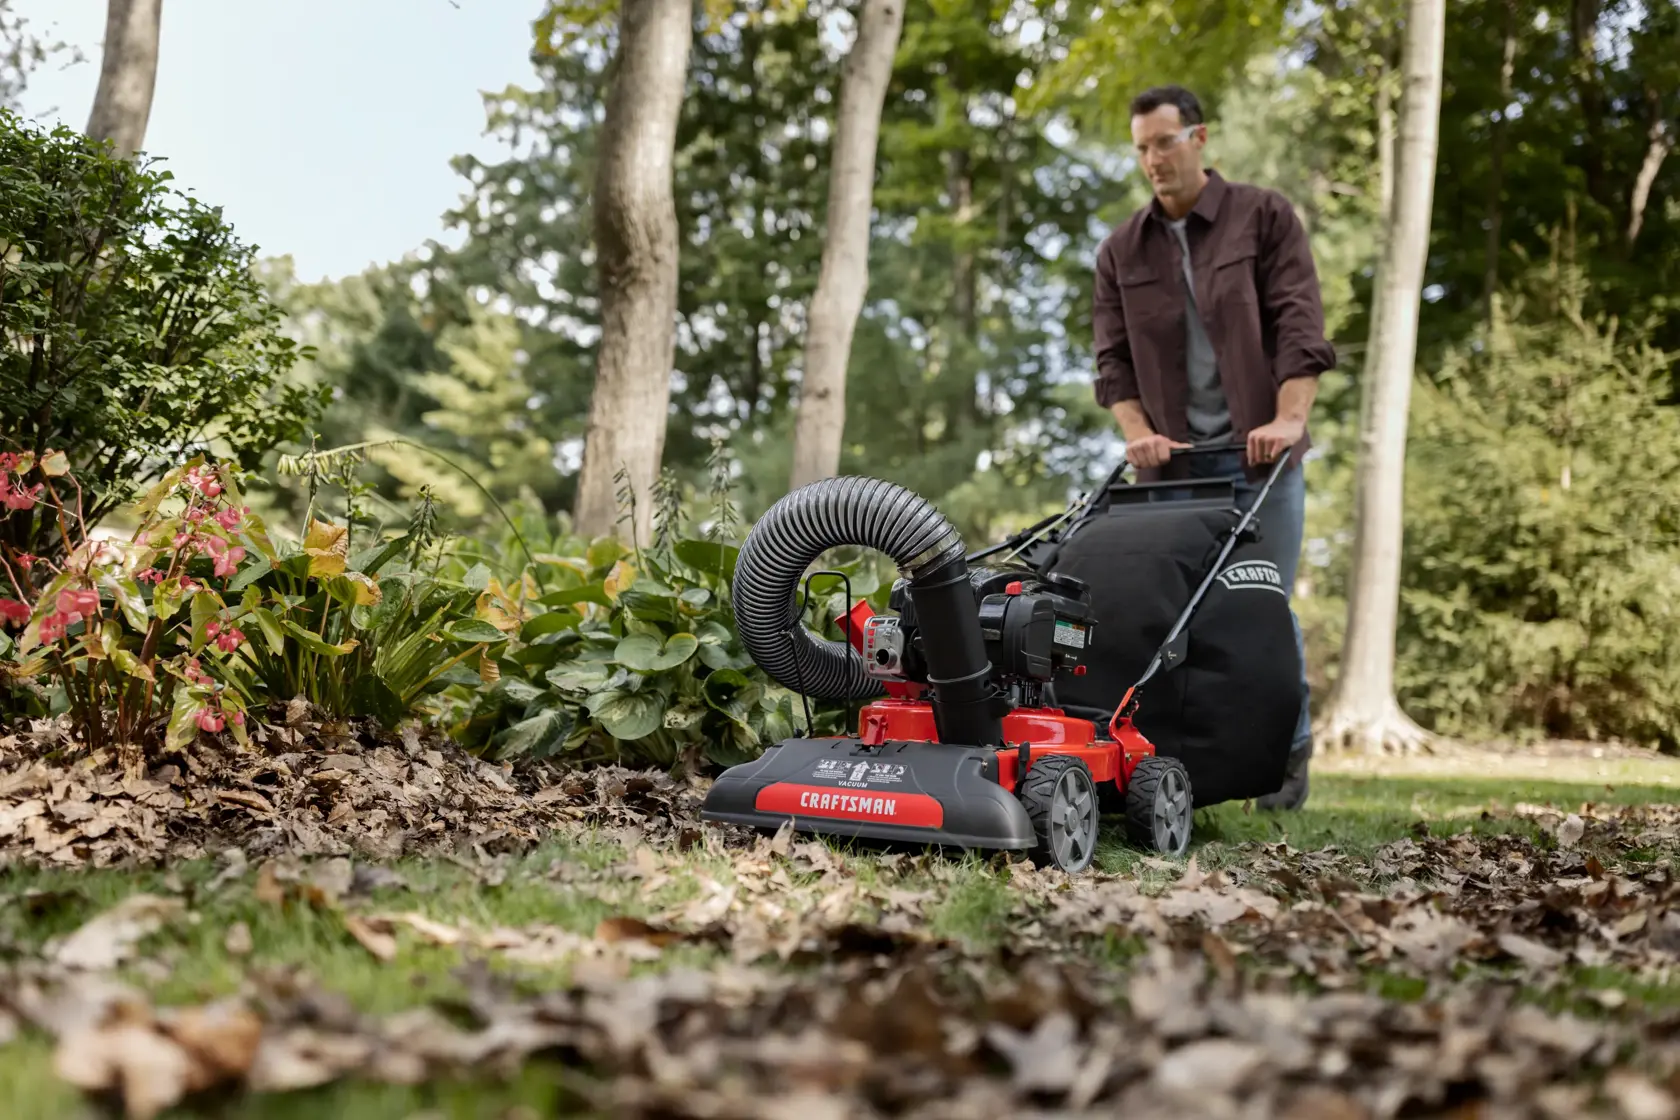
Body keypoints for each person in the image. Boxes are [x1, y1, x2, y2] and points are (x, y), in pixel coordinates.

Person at [1090, 84, 1336, 810]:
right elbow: (1113, 362)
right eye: (1140, 148)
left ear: (1200, 139)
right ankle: (1177, 775)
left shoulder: (1263, 216)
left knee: (1266, 611)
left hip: (1261, 459)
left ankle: (1285, 764)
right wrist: (1139, 437)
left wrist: (1290, 418)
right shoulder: (1120, 250)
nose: (1152, 160)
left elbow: (1299, 323)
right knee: (1173, 616)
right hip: (1175, 472)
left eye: (1164, 142)